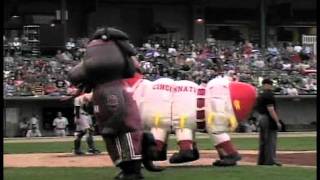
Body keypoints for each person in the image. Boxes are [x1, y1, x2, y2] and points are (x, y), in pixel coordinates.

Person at [256, 78, 282, 166]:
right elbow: (271, 109)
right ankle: (270, 161)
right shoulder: (269, 95)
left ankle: (261, 161)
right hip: (267, 118)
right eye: (270, 84)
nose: (271, 86)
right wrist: (277, 121)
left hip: (261, 117)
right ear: (267, 84)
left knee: (263, 141)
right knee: (270, 140)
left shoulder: (261, 95)